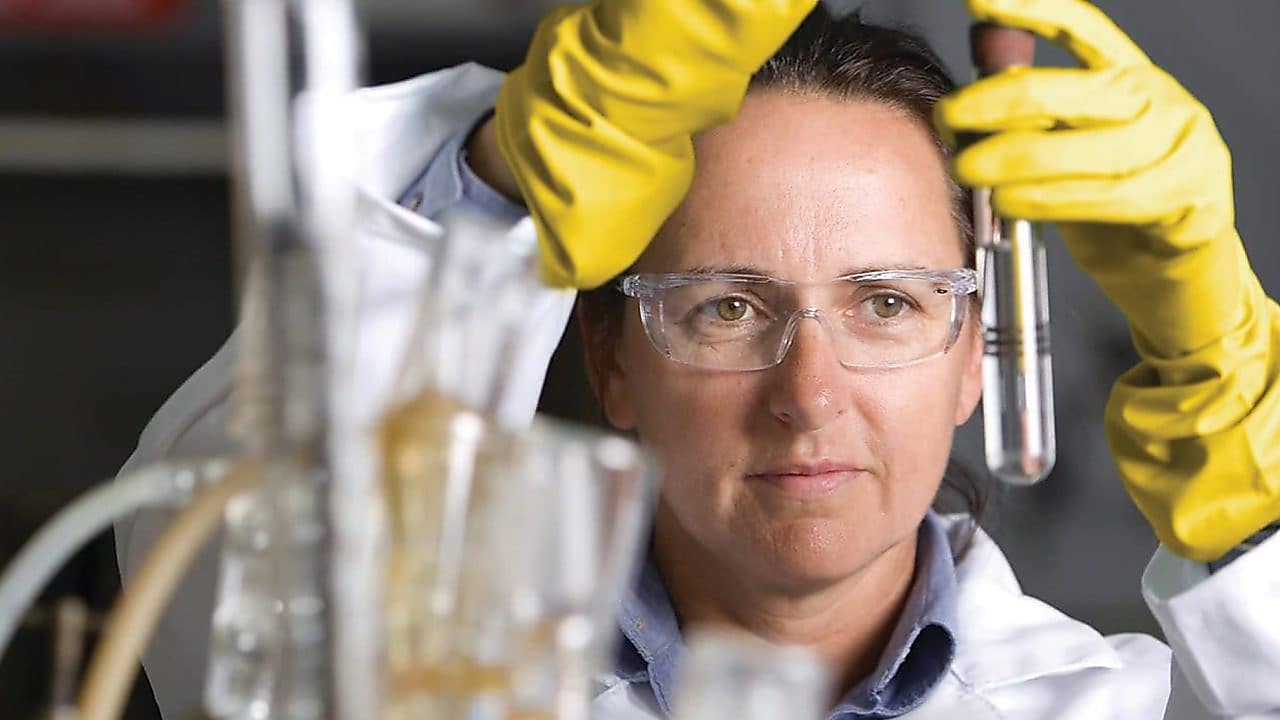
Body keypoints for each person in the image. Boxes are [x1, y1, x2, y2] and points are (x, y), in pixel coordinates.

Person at [116, 0, 1280, 718]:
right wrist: (499, 188)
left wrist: (1245, 474)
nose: (807, 396)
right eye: (725, 306)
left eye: (884, 302)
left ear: (974, 352)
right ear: (612, 358)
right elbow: (242, 554)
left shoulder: (1123, 710)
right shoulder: (427, 687)